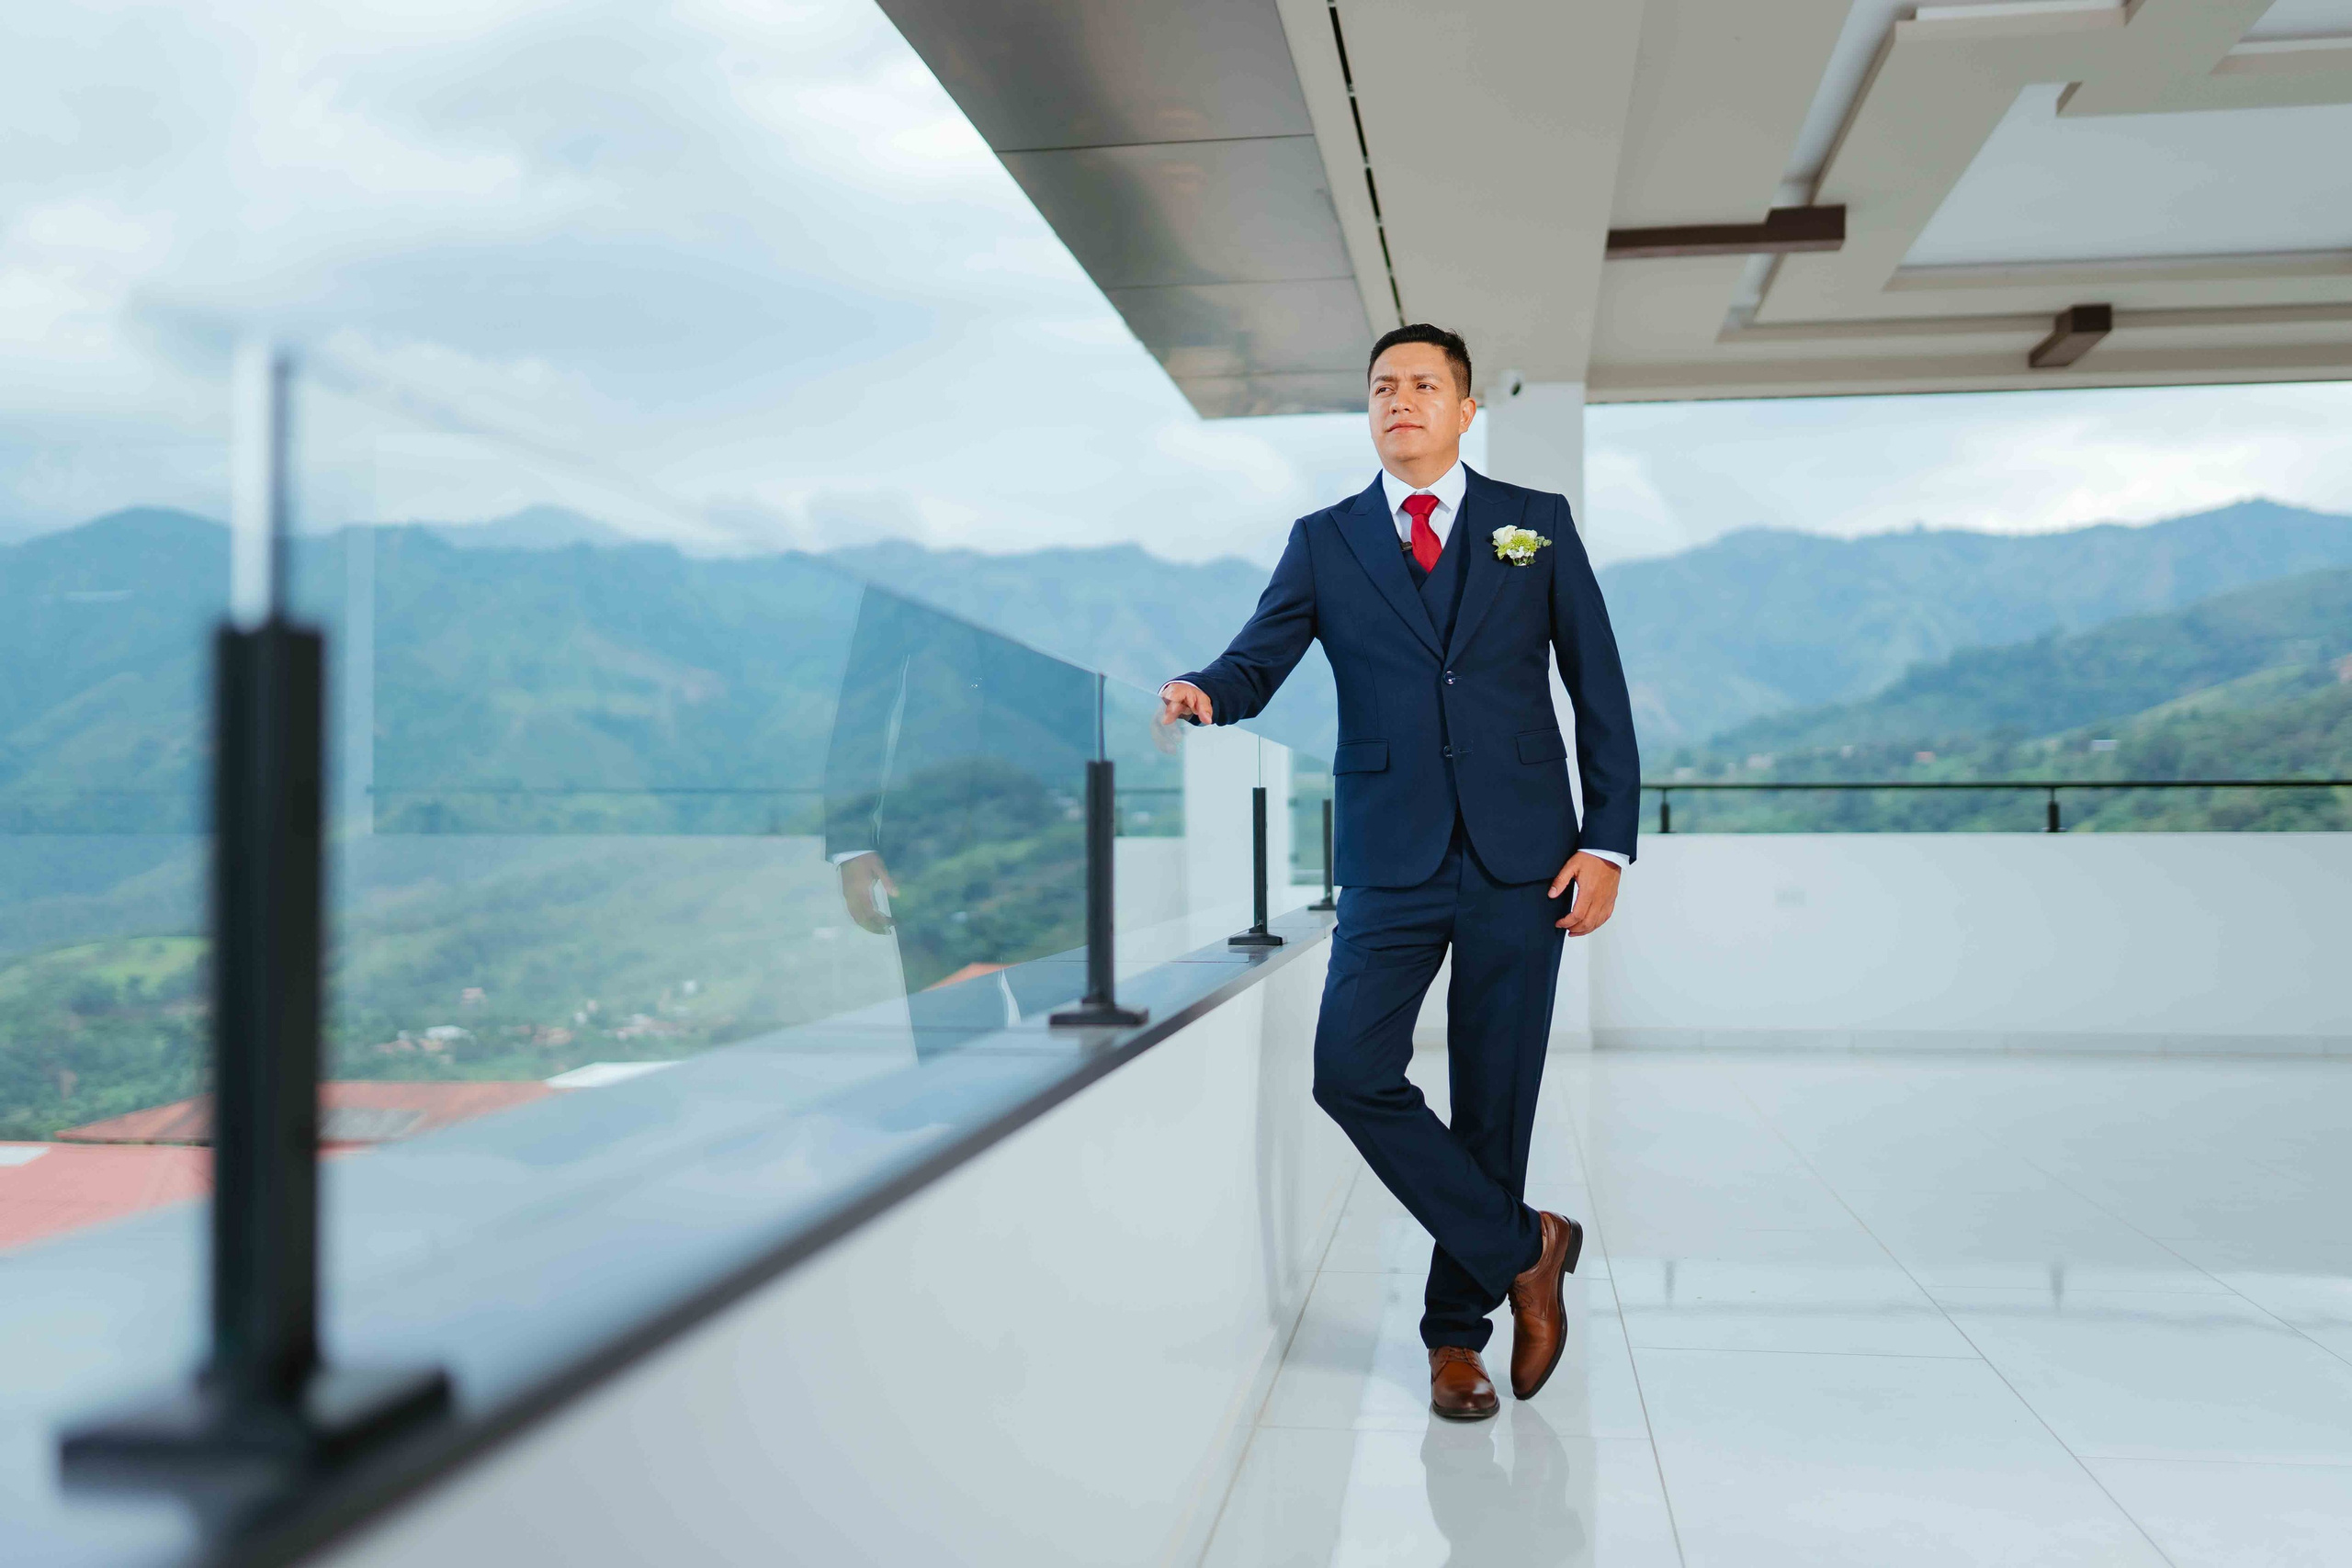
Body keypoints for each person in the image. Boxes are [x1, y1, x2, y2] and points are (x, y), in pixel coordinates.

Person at [1161, 324, 1638, 1421]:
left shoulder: (1533, 523)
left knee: (1495, 1100)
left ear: (1465, 410)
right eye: (1383, 386)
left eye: (1425, 384)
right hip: (1391, 852)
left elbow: (1598, 686)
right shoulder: (1325, 539)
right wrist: (1205, 690)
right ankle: (1528, 1246)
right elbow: (1258, 659)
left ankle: (1454, 1340)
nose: (1400, 399)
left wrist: (1607, 841)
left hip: (1526, 856)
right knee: (1349, 1069)